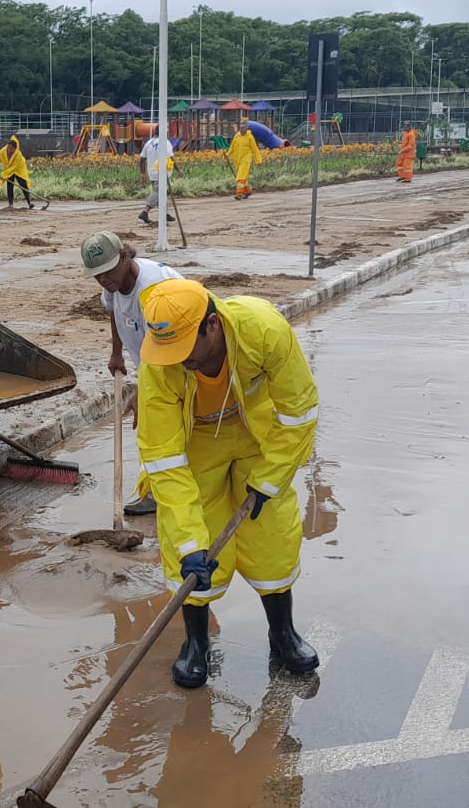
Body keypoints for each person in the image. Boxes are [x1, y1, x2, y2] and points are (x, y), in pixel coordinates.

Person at [136, 278, 320, 688]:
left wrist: (270, 480)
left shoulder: (263, 330)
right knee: (194, 541)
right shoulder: (161, 365)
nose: (181, 362)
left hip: (258, 434)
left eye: (188, 351)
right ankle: (197, 643)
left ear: (213, 326)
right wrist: (189, 545)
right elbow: (163, 458)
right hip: (198, 441)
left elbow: (300, 411)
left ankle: (282, 633)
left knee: (272, 533)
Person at [81, 230, 185, 516]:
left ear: (124, 257)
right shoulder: (113, 284)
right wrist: (117, 353)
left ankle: (162, 493)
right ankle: (155, 491)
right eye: (97, 274)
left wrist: (142, 391)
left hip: (181, 363)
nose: (103, 279)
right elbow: (114, 310)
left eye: (107, 271)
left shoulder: (154, 290)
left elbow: (167, 350)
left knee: (163, 430)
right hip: (152, 365)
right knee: (153, 432)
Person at [0, 135, 36, 210]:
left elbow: (14, 168)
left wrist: (4, 174)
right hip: (8, 168)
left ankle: (29, 203)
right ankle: (10, 204)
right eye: (9, 148)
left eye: (12, 149)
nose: (9, 150)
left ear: (15, 149)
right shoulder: (3, 151)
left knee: (23, 184)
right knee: (9, 185)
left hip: (19, 168)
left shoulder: (18, 155)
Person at [137, 135, 176, 226]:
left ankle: (164, 213)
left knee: (162, 193)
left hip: (152, 172)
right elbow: (171, 157)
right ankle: (145, 211)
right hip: (162, 172)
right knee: (158, 192)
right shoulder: (165, 142)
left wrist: (143, 173)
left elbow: (142, 159)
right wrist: (178, 170)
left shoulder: (149, 143)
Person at [227, 123, 262, 200]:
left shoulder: (250, 137)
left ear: (246, 129)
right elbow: (232, 147)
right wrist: (228, 154)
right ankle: (247, 191)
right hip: (237, 160)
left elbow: (255, 149)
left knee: (240, 178)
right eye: (240, 128)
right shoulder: (237, 136)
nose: (241, 130)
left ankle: (239, 194)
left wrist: (258, 160)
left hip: (246, 160)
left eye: (243, 128)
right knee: (243, 178)